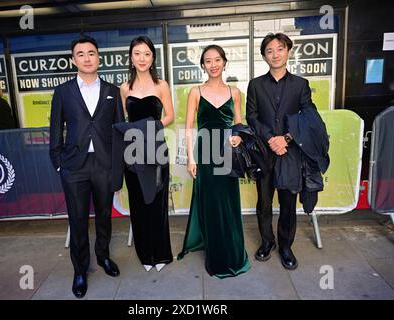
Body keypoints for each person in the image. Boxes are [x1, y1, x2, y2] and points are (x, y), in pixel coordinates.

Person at [49, 36, 124, 298]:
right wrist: (59, 164)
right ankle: (79, 270)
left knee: (104, 216)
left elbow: (119, 132)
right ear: (73, 60)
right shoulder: (62, 91)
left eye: (91, 53)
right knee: (78, 220)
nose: (87, 58)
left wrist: (117, 166)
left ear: (98, 57)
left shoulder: (113, 91)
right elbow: (56, 130)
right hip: (74, 167)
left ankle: (103, 256)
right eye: (80, 54)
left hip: (104, 165)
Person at [177, 45, 250, 278]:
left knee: (228, 203)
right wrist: (190, 158)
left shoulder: (235, 92)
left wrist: (238, 137)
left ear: (224, 62)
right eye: (208, 61)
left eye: (217, 59)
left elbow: (239, 125)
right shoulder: (195, 92)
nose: (213, 64)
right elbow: (189, 127)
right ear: (203, 65)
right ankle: (216, 255)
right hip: (204, 153)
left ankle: (233, 252)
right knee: (210, 204)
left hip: (227, 153)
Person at [246, 33, 318, 270]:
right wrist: (269, 138)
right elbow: (252, 116)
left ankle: (286, 246)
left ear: (288, 51)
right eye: (269, 50)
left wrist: (286, 138)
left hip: (290, 153)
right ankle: (268, 242)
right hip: (264, 153)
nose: (275, 54)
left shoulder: (301, 85)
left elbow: (308, 116)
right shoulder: (255, 85)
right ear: (264, 55)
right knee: (264, 203)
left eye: (280, 49)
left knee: (288, 203)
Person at [119, 36, 174, 272]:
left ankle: (160, 254)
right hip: (132, 153)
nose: (142, 58)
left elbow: (170, 116)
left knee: (157, 203)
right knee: (139, 203)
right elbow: (123, 120)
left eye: (147, 54)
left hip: (156, 149)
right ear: (131, 57)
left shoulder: (161, 85)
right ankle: (145, 255)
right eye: (137, 53)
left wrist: (150, 129)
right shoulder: (124, 88)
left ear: (153, 58)